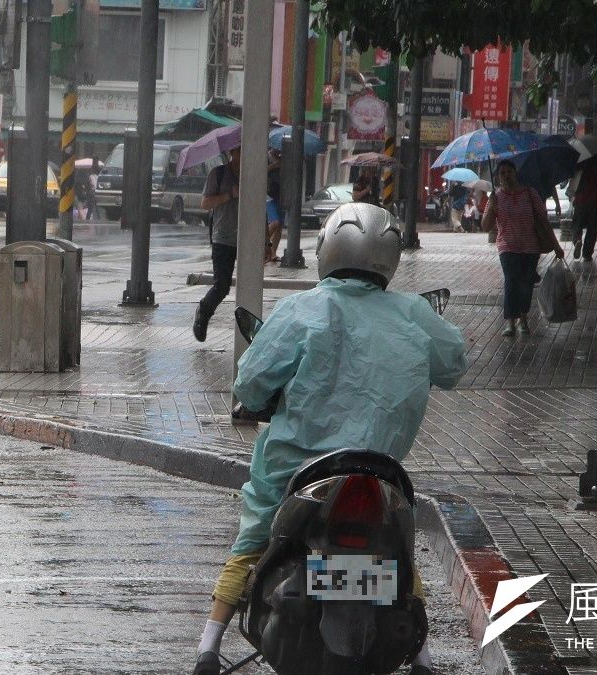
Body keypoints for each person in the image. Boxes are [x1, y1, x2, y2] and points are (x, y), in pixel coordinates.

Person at [192, 203, 469, 675]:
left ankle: (209, 649)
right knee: (396, 545)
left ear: (327, 248)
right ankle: (424, 657)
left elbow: (250, 383)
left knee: (255, 535)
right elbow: (454, 365)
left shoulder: (301, 308)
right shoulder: (414, 313)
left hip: (297, 472)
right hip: (380, 469)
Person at [480, 159, 565, 337]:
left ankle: (523, 318)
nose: (506, 175)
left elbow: (543, 221)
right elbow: (486, 227)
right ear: (498, 178)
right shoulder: (495, 197)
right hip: (507, 247)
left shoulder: (530, 194)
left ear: (515, 173)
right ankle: (510, 322)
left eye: (508, 172)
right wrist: (491, 208)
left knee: (526, 285)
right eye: (502, 173)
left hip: (530, 247)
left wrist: (556, 246)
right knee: (511, 281)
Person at [192, 146, 240, 342]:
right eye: (239, 150)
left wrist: (266, 244)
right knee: (222, 285)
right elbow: (205, 203)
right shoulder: (218, 174)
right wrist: (229, 194)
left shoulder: (255, 174)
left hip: (247, 239)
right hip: (223, 237)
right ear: (232, 152)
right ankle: (203, 312)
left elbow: (260, 208)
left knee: (251, 286)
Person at [569, 154, 597, 260]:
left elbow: (573, 177)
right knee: (592, 229)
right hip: (596, 200)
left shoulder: (580, 160)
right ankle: (587, 254)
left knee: (577, 225)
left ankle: (577, 240)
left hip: (581, 199)